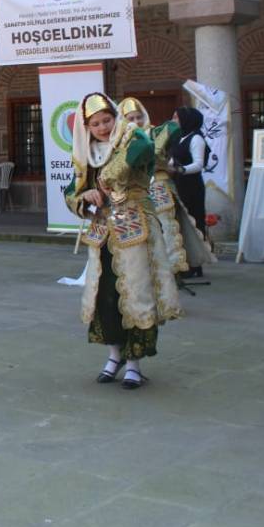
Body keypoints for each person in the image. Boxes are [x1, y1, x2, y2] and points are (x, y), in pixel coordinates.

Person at [64, 93, 181, 389]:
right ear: (86, 127)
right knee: (106, 295)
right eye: (95, 124)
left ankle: (134, 363)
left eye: (107, 120)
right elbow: (71, 191)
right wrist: (85, 197)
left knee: (136, 292)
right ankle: (114, 356)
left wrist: (106, 179)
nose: (103, 127)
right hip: (103, 231)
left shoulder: (133, 138)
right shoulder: (86, 154)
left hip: (135, 227)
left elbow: (144, 146)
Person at [119, 98, 214, 277]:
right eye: (131, 118)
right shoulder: (120, 140)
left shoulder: (157, 134)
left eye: (139, 117)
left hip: (170, 184)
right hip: (138, 189)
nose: (136, 122)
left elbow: (192, 163)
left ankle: (181, 265)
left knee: (173, 225)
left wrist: (174, 168)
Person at [169, 106, 210, 279]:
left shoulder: (196, 139)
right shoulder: (178, 137)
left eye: (176, 118)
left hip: (191, 185)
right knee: (179, 224)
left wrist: (180, 170)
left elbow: (199, 164)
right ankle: (182, 263)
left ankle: (196, 265)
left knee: (194, 222)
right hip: (176, 184)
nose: (173, 121)